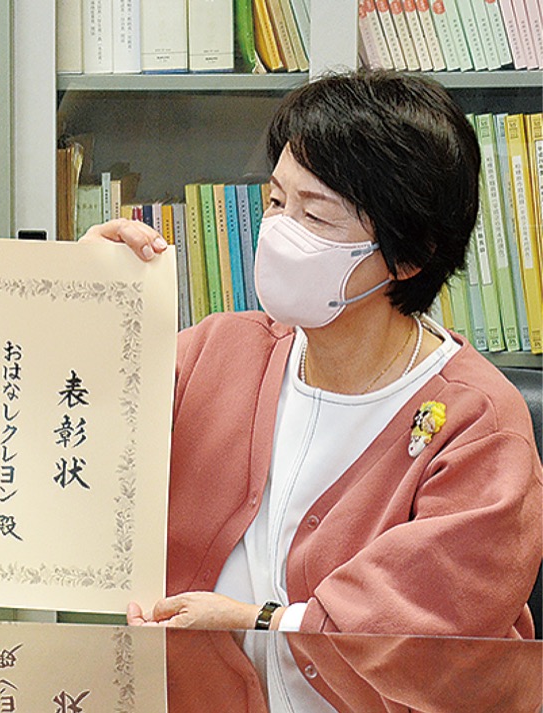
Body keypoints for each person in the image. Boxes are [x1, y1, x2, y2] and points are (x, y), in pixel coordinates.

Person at [84, 69, 542, 638]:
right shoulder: (217, 351)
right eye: (277, 201)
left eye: (316, 215)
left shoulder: (479, 423)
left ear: (409, 255)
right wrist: (87, 299)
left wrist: (260, 623)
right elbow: (57, 436)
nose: (279, 231)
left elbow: (434, 625)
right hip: (194, 683)